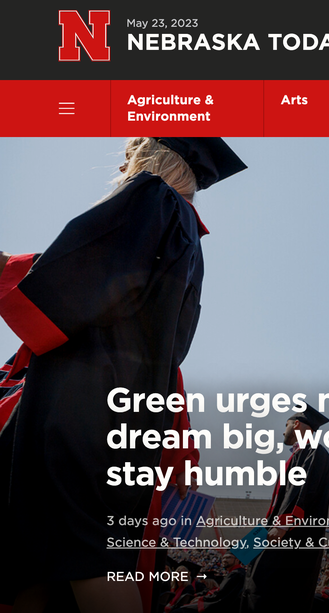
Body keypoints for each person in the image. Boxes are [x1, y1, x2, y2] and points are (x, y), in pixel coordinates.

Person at [0, 137, 245, 613]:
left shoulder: (150, 196)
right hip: (129, 415)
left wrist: (11, 271)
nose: (123, 156)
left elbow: (78, 276)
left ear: (155, 156)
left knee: (81, 554)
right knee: (41, 556)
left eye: (134, 146)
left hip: (81, 406)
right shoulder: (189, 237)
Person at [240, 404, 329, 612]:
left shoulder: (315, 453)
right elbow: (276, 506)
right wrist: (246, 548)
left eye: (286, 425)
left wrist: (283, 524)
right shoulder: (298, 455)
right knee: (252, 577)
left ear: (297, 424)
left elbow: (303, 493)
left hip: (293, 537)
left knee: (268, 590)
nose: (284, 431)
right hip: (278, 532)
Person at [178, 552, 246, 612]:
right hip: (226, 604)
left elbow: (220, 594)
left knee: (180, 610)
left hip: (221, 606)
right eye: (223, 558)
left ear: (237, 560)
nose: (224, 560)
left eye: (228, 557)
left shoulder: (236, 573)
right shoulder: (239, 572)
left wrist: (202, 598)